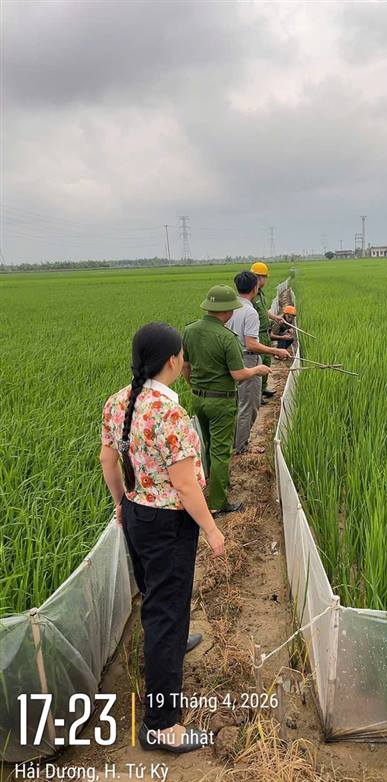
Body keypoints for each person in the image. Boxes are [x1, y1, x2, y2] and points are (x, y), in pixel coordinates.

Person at [100, 322, 225, 754]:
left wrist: (122, 502)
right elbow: (185, 486)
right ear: (173, 360)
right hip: (168, 523)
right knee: (166, 612)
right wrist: (212, 530)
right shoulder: (169, 414)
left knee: (157, 598)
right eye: (182, 355)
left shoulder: (119, 401)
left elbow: (108, 460)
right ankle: (161, 726)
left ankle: (171, 640)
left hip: (138, 514)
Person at [182, 285, 270, 514]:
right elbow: (238, 374)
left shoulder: (190, 331)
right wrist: (258, 370)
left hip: (198, 399)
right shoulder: (227, 338)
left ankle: (214, 484)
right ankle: (218, 503)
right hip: (221, 402)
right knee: (221, 451)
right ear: (227, 311)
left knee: (209, 444)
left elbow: (185, 366)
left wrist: (194, 387)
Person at [226, 271, 291, 454]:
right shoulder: (250, 312)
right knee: (249, 405)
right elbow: (251, 344)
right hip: (247, 359)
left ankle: (234, 442)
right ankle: (241, 446)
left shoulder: (229, 308)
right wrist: (276, 350)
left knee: (237, 403)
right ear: (255, 288)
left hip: (231, 358)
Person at [249, 262, 284, 401]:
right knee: (259, 364)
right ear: (258, 277)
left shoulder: (260, 294)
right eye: (264, 277)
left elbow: (264, 311)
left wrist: (275, 317)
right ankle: (257, 395)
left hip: (265, 334)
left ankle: (263, 389)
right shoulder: (251, 295)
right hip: (257, 334)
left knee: (267, 362)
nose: (265, 280)